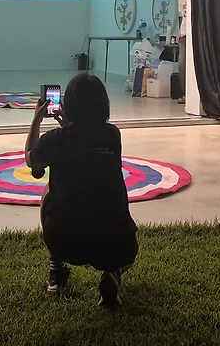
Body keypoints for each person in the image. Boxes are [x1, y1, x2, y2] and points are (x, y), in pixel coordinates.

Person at [25, 73, 137, 309]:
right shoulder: (112, 135)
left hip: (68, 243)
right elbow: (86, 146)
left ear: (68, 106)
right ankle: (112, 273)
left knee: (48, 190)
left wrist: (36, 120)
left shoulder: (57, 139)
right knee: (124, 253)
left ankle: (57, 270)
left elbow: (30, 159)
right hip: (118, 244)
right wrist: (70, 127)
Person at [176, 0, 189, 104]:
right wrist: (180, 32)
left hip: (193, 33)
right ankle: (185, 92)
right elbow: (183, 16)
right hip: (184, 33)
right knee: (181, 64)